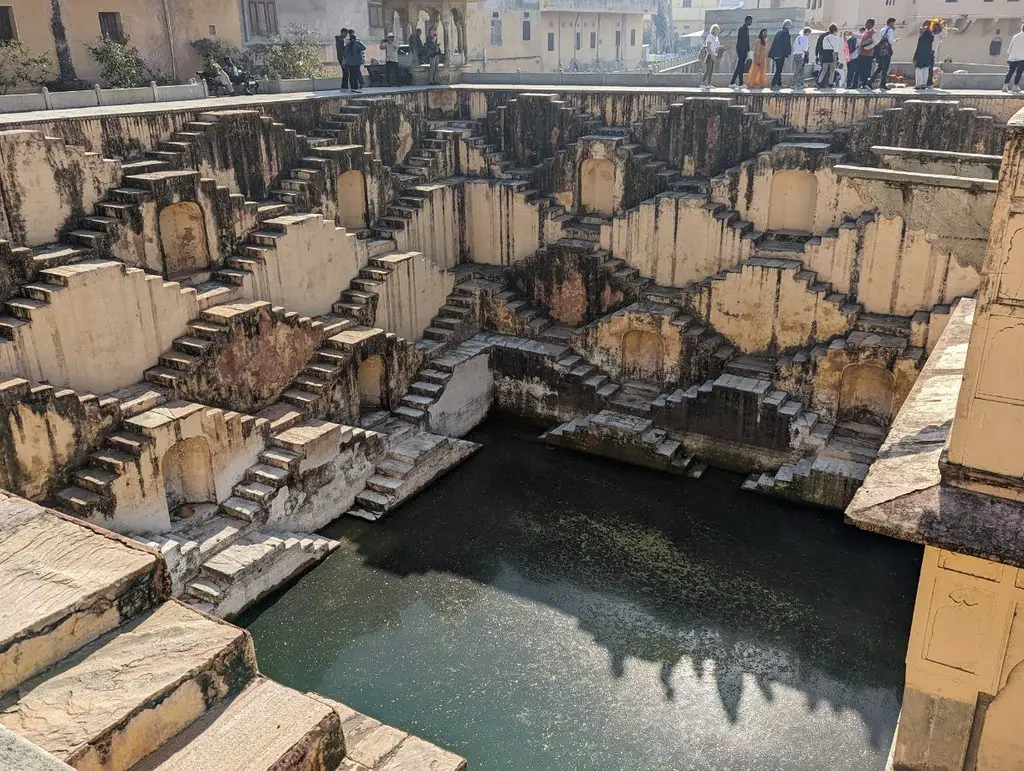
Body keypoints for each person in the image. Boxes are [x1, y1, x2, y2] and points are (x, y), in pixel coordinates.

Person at [869, 17, 896, 89]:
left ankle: (870, 81)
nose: (894, 25)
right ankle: (882, 84)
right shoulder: (890, 30)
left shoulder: (882, 29)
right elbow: (890, 41)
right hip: (887, 51)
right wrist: (895, 40)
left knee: (879, 67)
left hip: (880, 51)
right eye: (893, 23)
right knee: (885, 68)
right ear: (891, 23)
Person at [853, 19, 878, 89]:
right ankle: (854, 84)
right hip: (861, 53)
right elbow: (861, 36)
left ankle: (865, 84)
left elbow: (875, 42)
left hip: (868, 55)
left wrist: (868, 48)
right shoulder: (866, 32)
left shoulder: (874, 33)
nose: (865, 24)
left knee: (866, 70)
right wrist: (852, 34)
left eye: (867, 23)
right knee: (858, 69)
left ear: (871, 24)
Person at [769, 20, 792, 89]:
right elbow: (786, 44)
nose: (790, 27)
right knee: (779, 70)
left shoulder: (779, 31)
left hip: (775, 53)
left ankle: (779, 83)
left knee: (778, 69)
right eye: (790, 25)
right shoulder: (786, 32)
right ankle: (773, 84)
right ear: (787, 25)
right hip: (780, 54)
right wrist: (788, 52)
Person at [731, 16, 753, 88]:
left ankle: (739, 83)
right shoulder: (742, 29)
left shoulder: (746, 29)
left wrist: (748, 50)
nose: (751, 22)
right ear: (747, 20)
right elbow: (740, 41)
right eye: (750, 21)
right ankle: (733, 82)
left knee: (740, 67)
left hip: (744, 51)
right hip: (741, 51)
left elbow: (747, 41)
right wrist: (741, 52)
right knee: (740, 66)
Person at [914, 20, 935, 90]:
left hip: (920, 54)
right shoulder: (931, 36)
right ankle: (923, 84)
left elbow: (918, 46)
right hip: (928, 54)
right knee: (925, 69)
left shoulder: (922, 35)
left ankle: (918, 84)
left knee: (918, 69)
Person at [819, 25, 841, 89]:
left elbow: (823, 46)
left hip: (825, 54)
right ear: (835, 30)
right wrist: (836, 56)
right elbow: (836, 48)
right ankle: (830, 83)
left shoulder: (825, 38)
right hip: (833, 54)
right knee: (832, 70)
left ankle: (819, 81)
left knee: (824, 69)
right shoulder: (836, 38)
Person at [700, 24, 722, 88]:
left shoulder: (716, 37)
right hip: (709, 55)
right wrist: (711, 54)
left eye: (718, 30)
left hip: (714, 54)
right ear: (713, 30)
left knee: (711, 70)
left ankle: (709, 84)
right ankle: (702, 83)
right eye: (717, 30)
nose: (718, 31)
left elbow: (716, 46)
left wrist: (721, 47)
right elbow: (708, 46)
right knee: (708, 69)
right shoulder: (710, 36)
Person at [1004, 23, 1024, 93]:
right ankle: (1015, 86)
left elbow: (1010, 46)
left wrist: (1009, 54)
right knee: (1019, 73)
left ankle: (1005, 86)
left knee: (1010, 72)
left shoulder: (1015, 36)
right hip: (1022, 58)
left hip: (1012, 57)